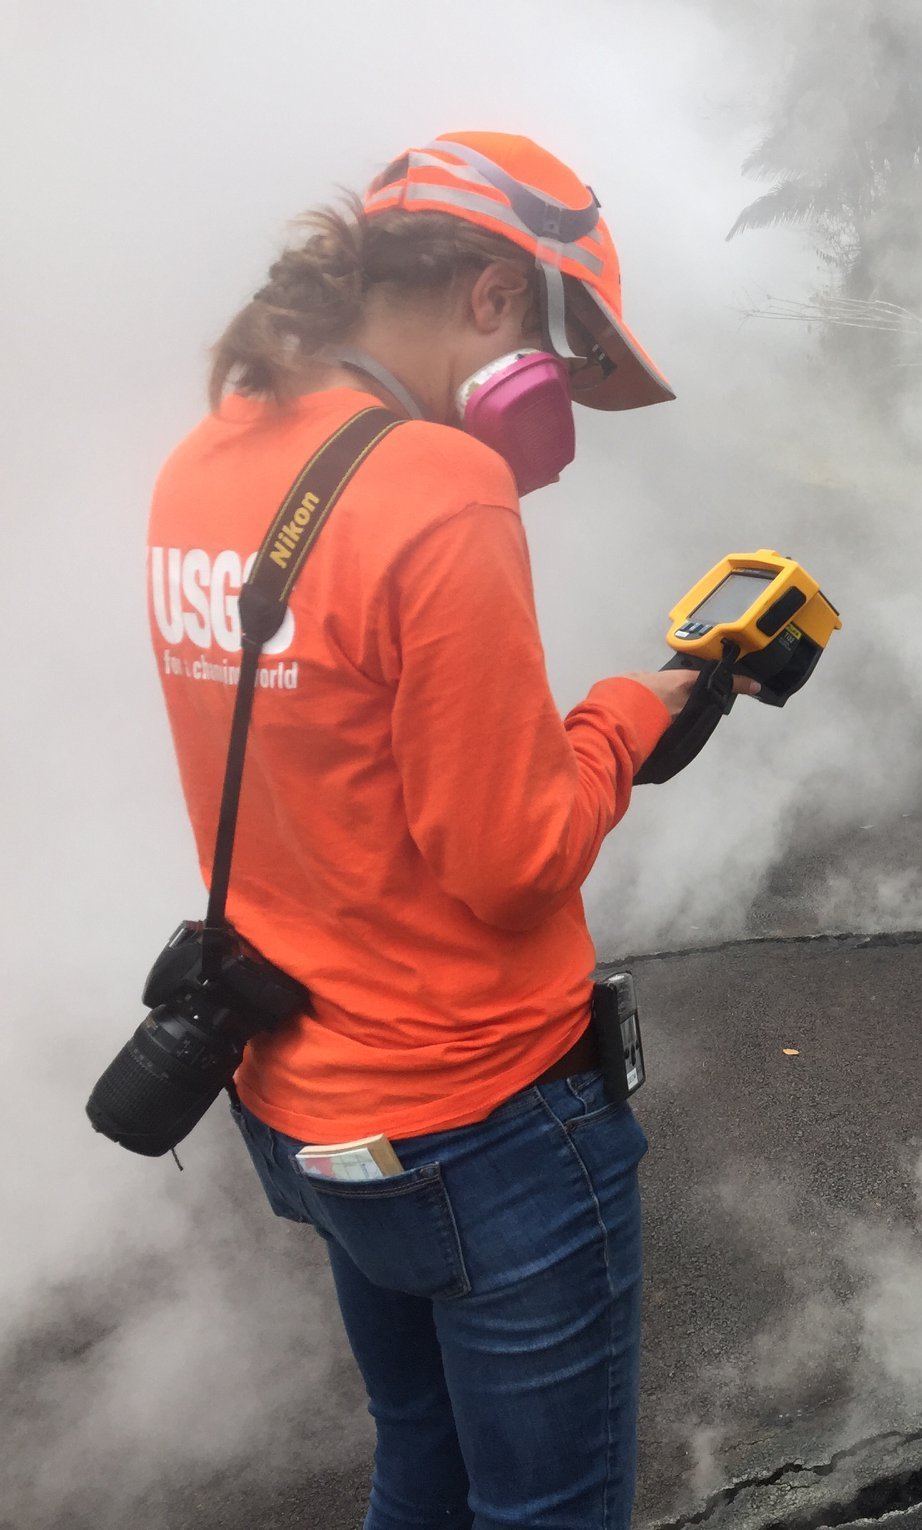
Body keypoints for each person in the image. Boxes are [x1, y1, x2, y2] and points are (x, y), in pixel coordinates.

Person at [147, 132, 743, 1530]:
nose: (560, 387)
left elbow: (335, 758)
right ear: (491, 293)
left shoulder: (204, 462)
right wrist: (629, 713)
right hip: (484, 1122)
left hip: (303, 1100)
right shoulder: (433, 485)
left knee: (418, 1456)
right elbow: (509, 860)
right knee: (545, 1509)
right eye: (556, 333)